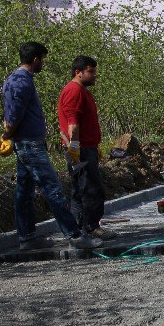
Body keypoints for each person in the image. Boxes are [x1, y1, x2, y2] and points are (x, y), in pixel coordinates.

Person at [1, 42, 102, 251]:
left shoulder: (13, 79)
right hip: (30, 144)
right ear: (36, 59)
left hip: (25, 143)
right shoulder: (22, 82)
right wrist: (6, 135)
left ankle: (27, 237)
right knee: (52, 189)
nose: (43, 64)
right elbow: (15, 115)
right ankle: (74, 236)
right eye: (42, 59)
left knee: (24, 191)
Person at [58, 55, 116, 240]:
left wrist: (93, 145)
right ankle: (90, 227)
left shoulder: (82, 91)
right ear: (78, 72)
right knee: (91, 189)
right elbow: (72, 124)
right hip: (80, 149)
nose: (94, 75)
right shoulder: (74, 91)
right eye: (91, 72)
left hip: (86, 147)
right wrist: (75, 148)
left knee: (81, 189)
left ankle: (77, 229)